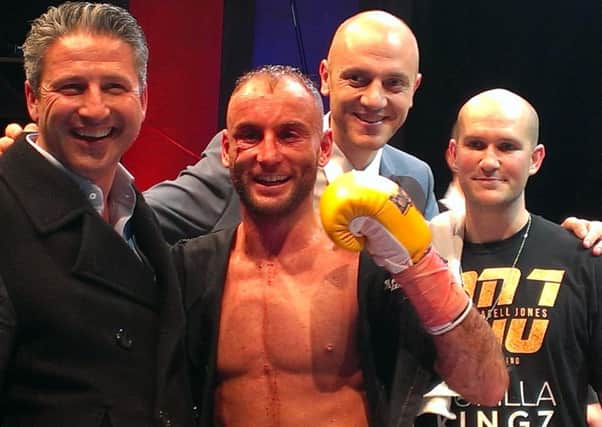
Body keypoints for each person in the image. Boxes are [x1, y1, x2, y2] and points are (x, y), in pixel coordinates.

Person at [4, 10, 600, 253]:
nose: (373, 99)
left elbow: (465, 249)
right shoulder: (254, 154)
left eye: (394, 84)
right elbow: (137, 218)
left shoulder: (414, 177)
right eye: (357, 78)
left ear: (416, 89)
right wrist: (44, 172)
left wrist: (571, 241)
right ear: (325, 78)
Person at [172, 64, 507, 427]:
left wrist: (419, 265)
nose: (268, 155)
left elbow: (486, 386)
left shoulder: (367, 266)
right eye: (250, 135)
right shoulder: (191, 270)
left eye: (290, 135)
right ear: (226, 149)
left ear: (324, 147)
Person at [0, 3, 194, 425]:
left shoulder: (134, 209)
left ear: (142, 99)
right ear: (32, 99)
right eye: (72, 88)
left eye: (114, 87)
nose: (94, 109)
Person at [426, 88, 602, 426]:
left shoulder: (581, 259)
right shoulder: (423, 259)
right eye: (475, 144)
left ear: (535, 159)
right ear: (452, 153)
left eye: (507, 147)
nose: (489, 161)